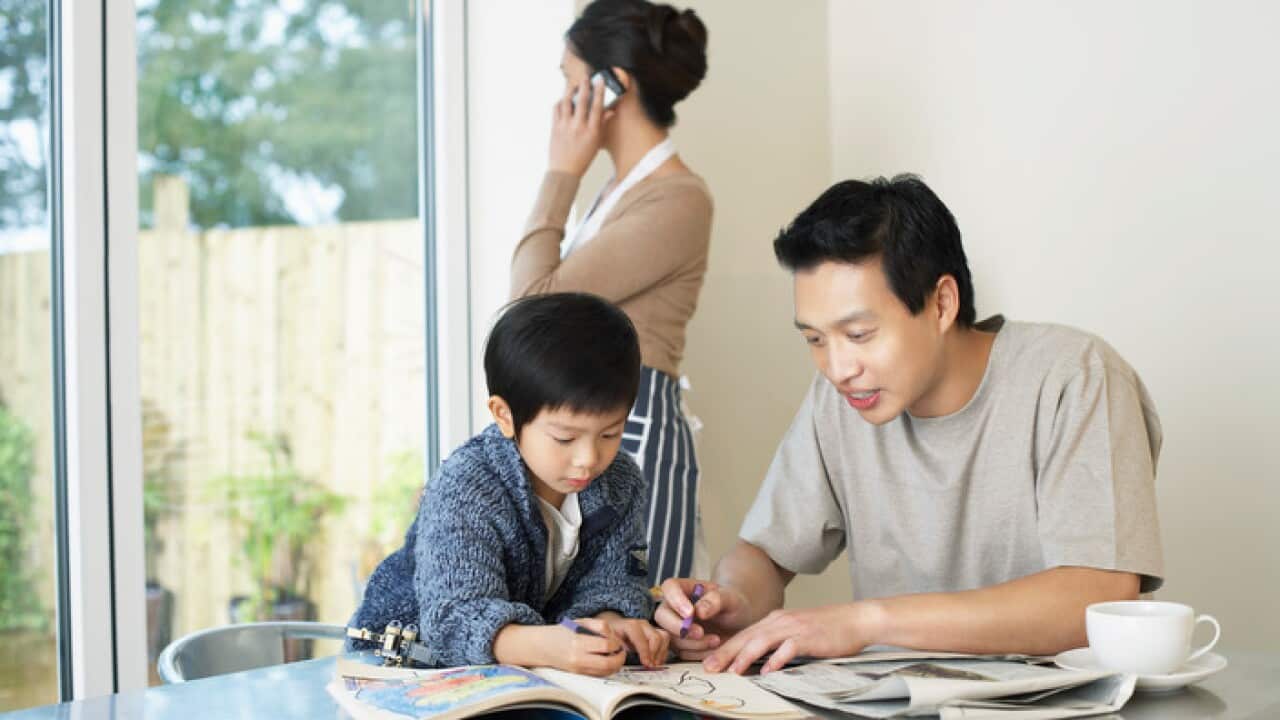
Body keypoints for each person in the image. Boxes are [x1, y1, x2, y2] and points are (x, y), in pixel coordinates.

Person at [655, 175, 1164, 674]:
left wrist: (867, 622)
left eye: (858, 333)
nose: (837, 368)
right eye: (815, 339)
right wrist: (733, 601)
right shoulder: (842, 401)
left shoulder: (1075, 377)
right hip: (892, 705)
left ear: (941, 303)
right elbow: (763, 553)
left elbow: (1099, 596)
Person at [349, 293, 669, 676]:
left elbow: (614, 581)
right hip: (403, 664)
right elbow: (453, 616)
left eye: (610, 433)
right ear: (505, 415)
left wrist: (610, 622)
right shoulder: (467, 486)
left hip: (522, 676)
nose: (589, 458)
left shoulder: (620, 482)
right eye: (565, 438)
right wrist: (546, 644)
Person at [511, 0, 712, 586]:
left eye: (570, 81)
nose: (561, 104)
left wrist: (560, 173)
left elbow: (530, 307)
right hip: (600, 427)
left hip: (634, 435)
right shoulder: (621, 193)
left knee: (643, 627)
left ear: (610, 85)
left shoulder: (677, 198)